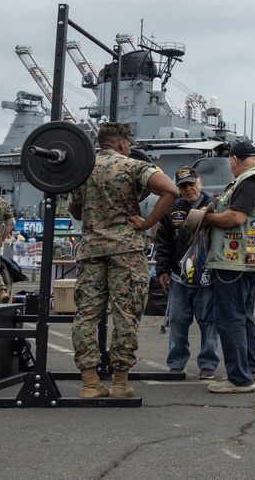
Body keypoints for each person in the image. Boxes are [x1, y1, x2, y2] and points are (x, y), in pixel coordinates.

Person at [67, 122, 178, 399]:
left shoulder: (83, 169)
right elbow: (171, 191)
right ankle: (119, 383)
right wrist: (146, 223)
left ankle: (90, 383)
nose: (129, 148)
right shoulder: (132, 166)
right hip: (126, 252)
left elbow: (76, 210)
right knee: (125, 316)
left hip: (92, 251)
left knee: (85, 317)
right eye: (128, 144)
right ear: (121, 143)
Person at [200, 141, 255, 394]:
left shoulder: (247, 180)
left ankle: (239, 379)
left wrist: (205, 218)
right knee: (244, 317)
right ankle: (253, 370)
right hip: (250, 259)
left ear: (233, 159)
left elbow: (236, 217)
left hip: (234, 260)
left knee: (229, 319)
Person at [154, 166, 220, 380]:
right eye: (183, 186)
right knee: (177, 321)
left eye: (191, 184)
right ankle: (176, 363)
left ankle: (208, 364)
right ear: (178, 189)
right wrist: (162, 270)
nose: (188, 189)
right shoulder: (173, 210)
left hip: (208, 278)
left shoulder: (216, 207)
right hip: (178, 278)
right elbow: (163, 242)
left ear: (199, 182)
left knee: (208, 323)